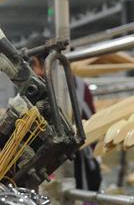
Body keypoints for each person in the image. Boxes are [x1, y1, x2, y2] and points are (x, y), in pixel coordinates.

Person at [23, 34, 102, 191]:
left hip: (75, 170)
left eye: (31, 66)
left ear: (36, 62)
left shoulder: (40, 90)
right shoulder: (80, 86)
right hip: (76, 167)